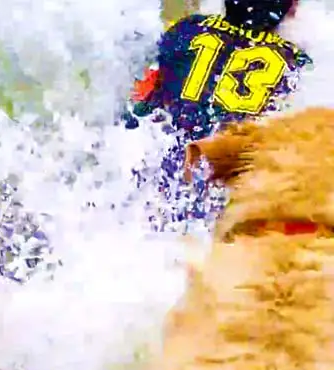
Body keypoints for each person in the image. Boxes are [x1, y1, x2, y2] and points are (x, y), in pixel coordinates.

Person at [125, 0, 310, 226]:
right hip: (216, 207)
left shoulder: (186, 29)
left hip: (148, 189)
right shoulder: (295, 63)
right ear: (292, 9)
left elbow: (140, 107)